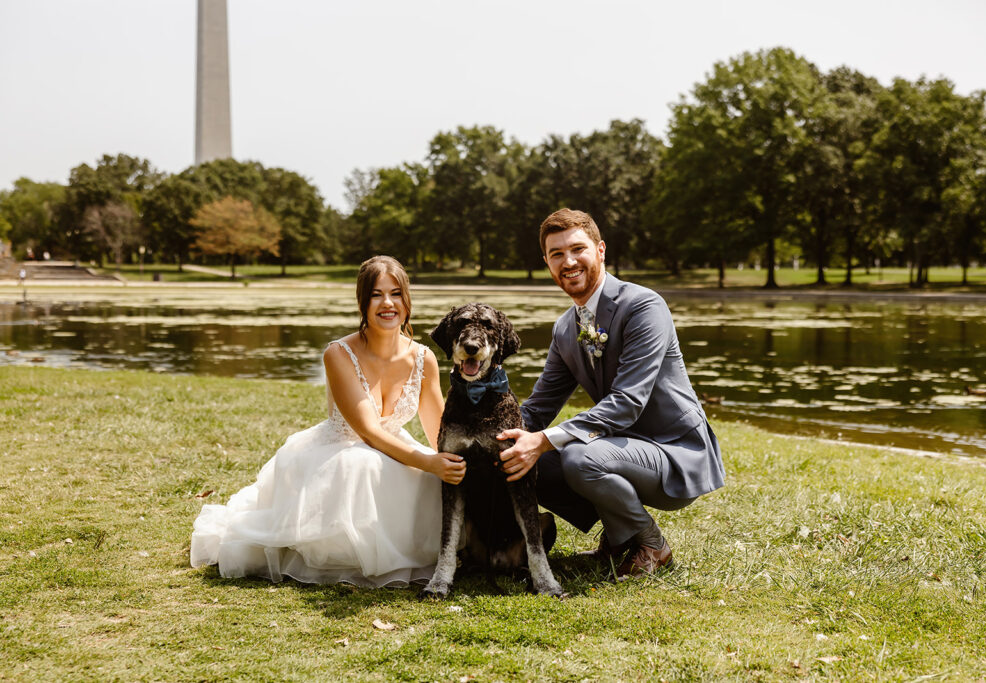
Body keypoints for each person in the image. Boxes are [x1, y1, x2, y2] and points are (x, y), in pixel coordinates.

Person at [191, 256, 465, 586]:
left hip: (396, 447)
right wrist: (427, 461)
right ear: (363, 302)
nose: (387, 303)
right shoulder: (338, 353)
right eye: (376, 295)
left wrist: (451, 461)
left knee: (433, 477)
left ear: (407, 300)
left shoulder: (424, 359)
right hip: (341, 452)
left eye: (395, 293)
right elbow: (367, 431)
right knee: (364, 467)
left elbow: (440, 430)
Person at [498, 209, 725, 578]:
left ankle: (652, 543)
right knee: (517, 458)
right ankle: (619, 539)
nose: (568, 261)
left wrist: (542, 440)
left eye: (577, 249)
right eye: (556, 254)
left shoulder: (644, 306)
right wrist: (494, 440)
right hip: (618, 449)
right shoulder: (564, 329)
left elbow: (627, 402)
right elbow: (538, 407)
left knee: (578, 457)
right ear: (546, 263)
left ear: (600, 250)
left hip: (674, 450)